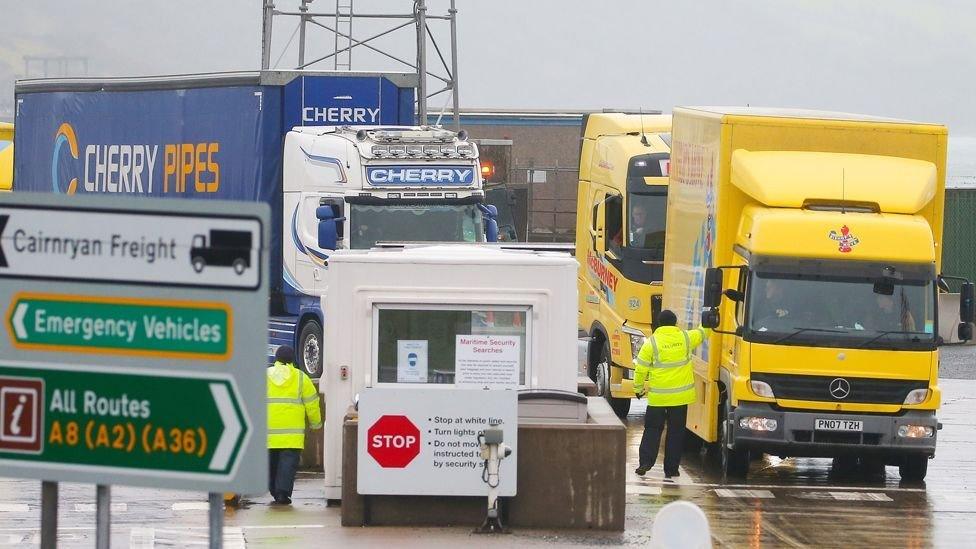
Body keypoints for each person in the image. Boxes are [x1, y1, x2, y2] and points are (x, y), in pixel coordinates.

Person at [632, 310, 711, 479]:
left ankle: (645, 462)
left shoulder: (651, 343)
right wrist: (710, 314)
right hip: (680, 399)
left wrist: (638, 389)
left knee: (652, 430)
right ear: (675, 323)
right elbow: (704, 332)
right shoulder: (685, 338)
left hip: (658, 399)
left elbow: (640, 369)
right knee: (676, 433)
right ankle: (671, 469)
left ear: (659, 324)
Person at [267, 345, 322, 505]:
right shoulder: (301, 377)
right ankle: (282, 494)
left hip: (268, 432)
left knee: (271, 462)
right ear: (293, 359)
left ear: (276, 359)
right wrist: (316, 424)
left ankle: (273, 490)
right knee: (288, 464)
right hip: (292, 434)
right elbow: (312, 403)